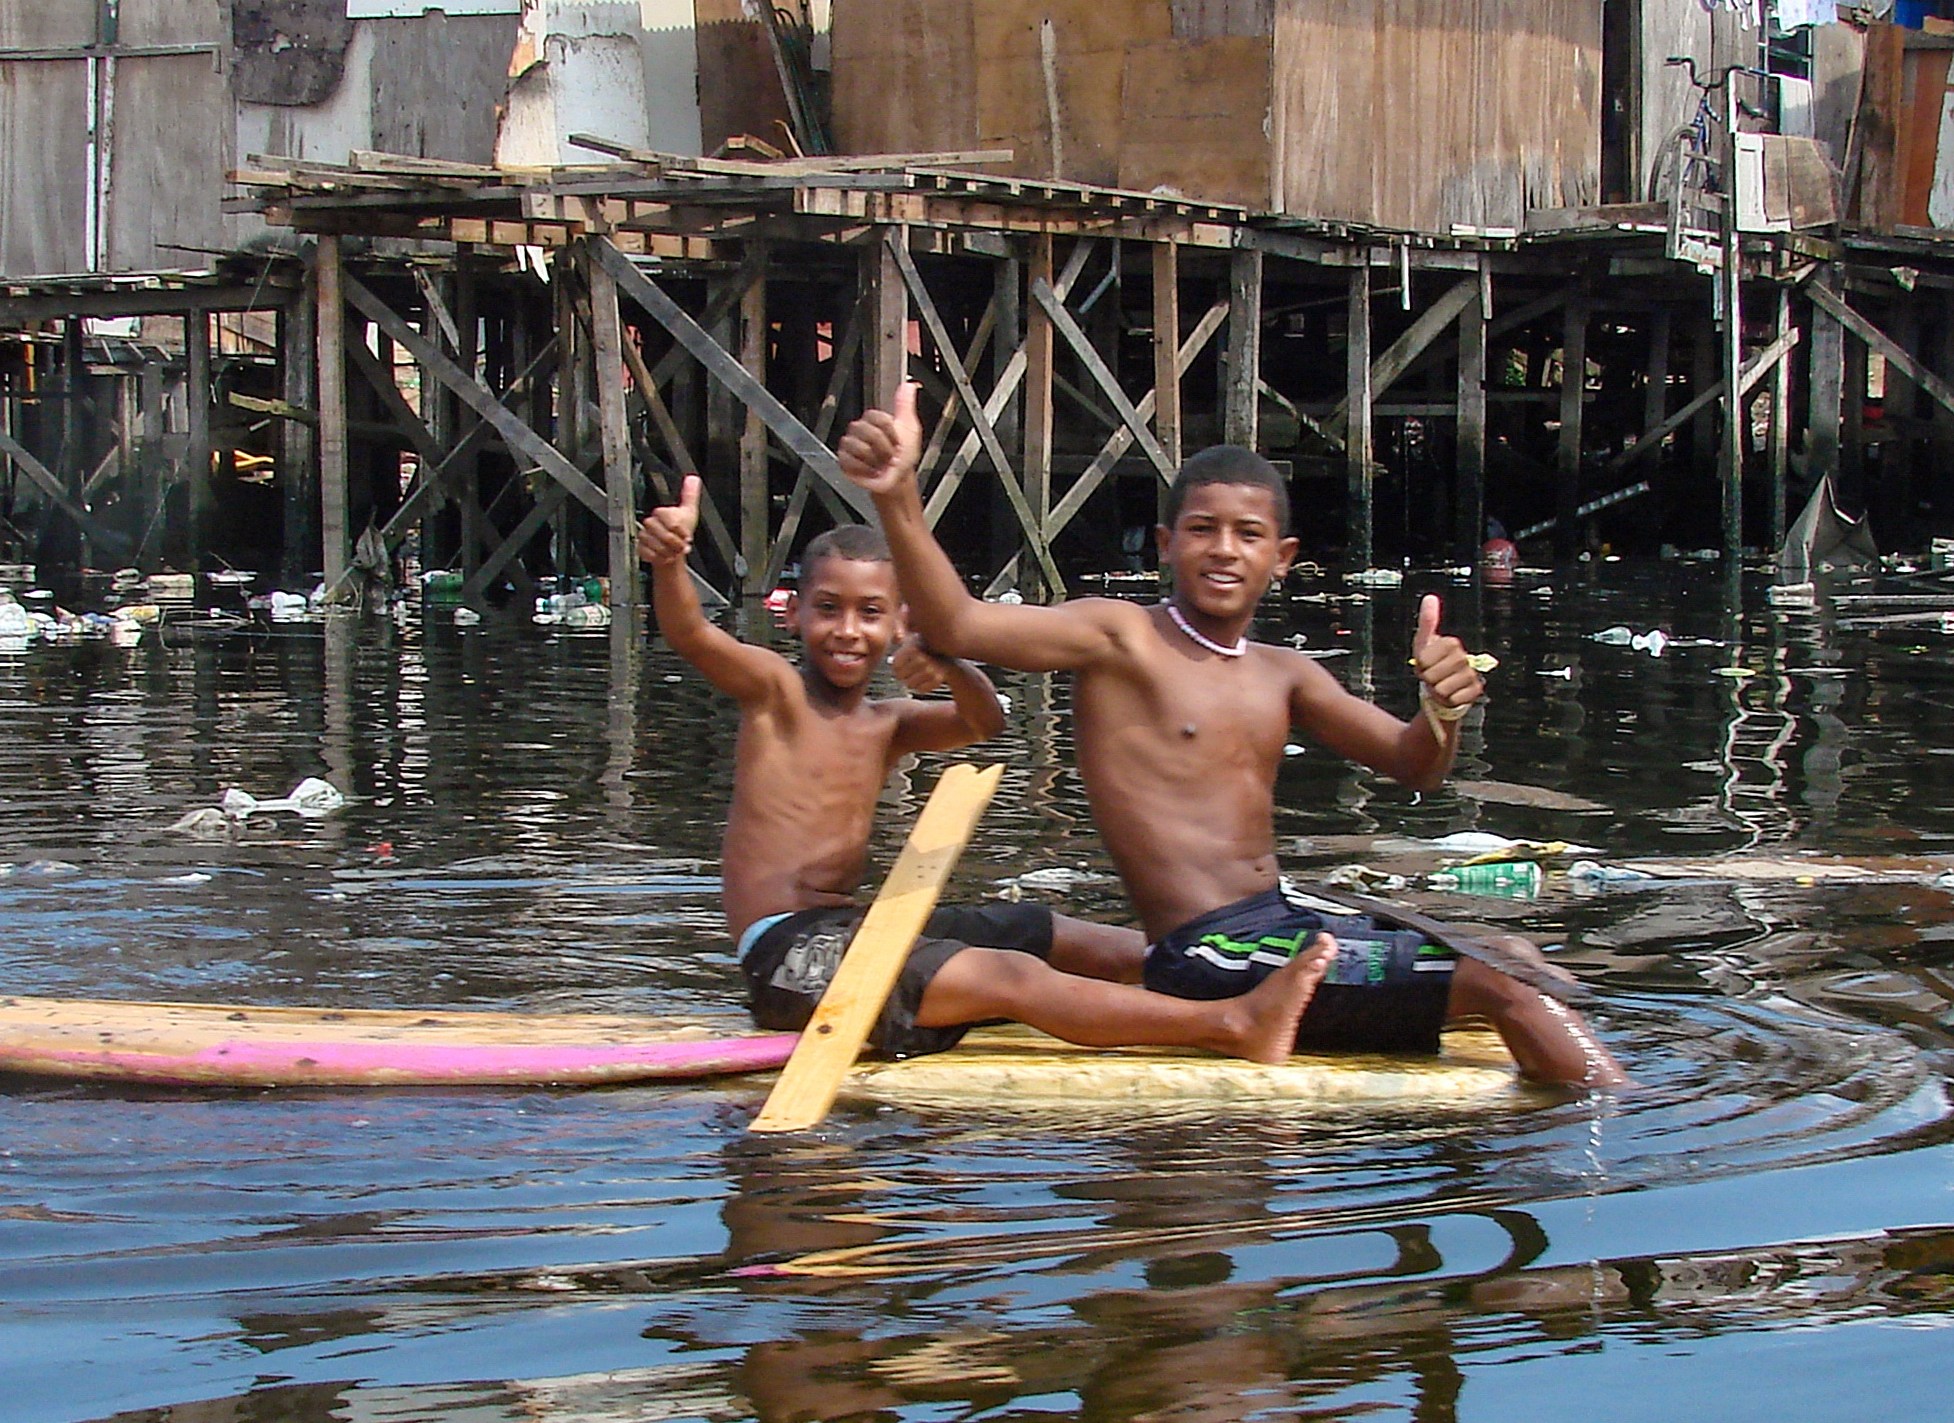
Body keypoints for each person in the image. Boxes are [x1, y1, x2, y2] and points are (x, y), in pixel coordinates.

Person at [833, 389, 1623, 1088]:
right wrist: (899, 498)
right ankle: (1624, 1141)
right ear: (1168, 541)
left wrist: (1443, 711)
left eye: (1247, 534)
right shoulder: (1118, 638)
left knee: (1523, 960)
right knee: (1507, 992)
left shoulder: (1287, 674)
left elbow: (1417, 766)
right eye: (1203, 529)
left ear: (1280, 559)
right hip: (1209, 957)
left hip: (1279, 923)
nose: (1223, 549)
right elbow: (958, 623)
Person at [637, 476, 1332, 1065]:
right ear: (791, 618)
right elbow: (692, 635)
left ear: (898, 623)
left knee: (1039, 928)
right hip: (788, 959)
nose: (848, 630)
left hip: (858, 930)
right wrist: (670, 565)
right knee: (1011, 975)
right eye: (828, 610)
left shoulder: (888, 724)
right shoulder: (774, 693)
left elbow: (984, 723)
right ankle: (1234, 1025)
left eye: (870, 614)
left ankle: (1218, 977)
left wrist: (950, 663)